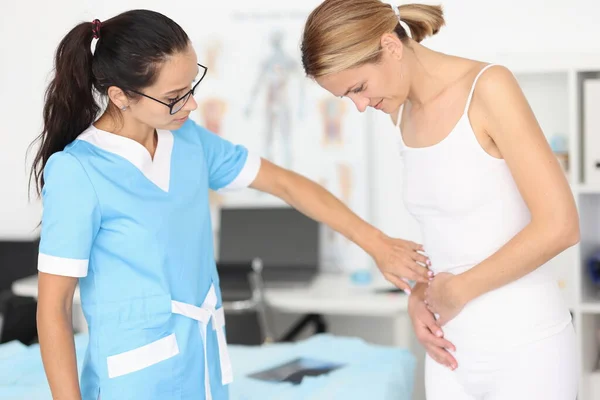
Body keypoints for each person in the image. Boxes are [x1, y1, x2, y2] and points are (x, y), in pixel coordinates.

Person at [30, 9, 432, 400]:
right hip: (134, 380)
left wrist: (377, 243)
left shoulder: (188, 142)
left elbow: (286, 184)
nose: (191, 105)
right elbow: (54, 308)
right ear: (119, 96)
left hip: (204, 364)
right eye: (174, 96)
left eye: (192, 86)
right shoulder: (77, 172)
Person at [300, 1, 580, 399]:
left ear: (390, 46)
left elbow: (561, 224)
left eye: (359, 88)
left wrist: (459, 290)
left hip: (526, 349)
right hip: (451, 356)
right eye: (348, 97)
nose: (361, 106)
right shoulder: (401, 114)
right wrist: (419, 295)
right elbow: (452, 232)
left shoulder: (488, 88)